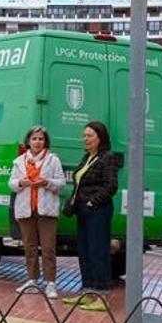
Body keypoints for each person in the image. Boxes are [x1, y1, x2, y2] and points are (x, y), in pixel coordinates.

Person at [63, 121, 119, 311]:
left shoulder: (107, 157)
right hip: (82, 211)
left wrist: (92, 201)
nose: (85, 139)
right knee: (85, 252)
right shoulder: (86, 157)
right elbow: (79, 184)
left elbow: (111, 186)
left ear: (100, 138)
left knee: (98, 252)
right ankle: (88, 291)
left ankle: (102, 296)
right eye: (84, 135)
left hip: (98, 211)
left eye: (89, 136)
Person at [8, 126, 66, 299]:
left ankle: (50, 283)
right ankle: (32, 280)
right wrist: (21, 182)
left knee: (48, 247)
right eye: (34, 139)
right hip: (26, 209)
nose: (37, 142)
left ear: (45, 142)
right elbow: (11, 183)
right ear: (28, 141)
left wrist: (46, 182)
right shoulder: (19, 161)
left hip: (46, 210)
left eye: (41, 139)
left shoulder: (53, 160)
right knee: (29, 246)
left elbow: (61, 183)